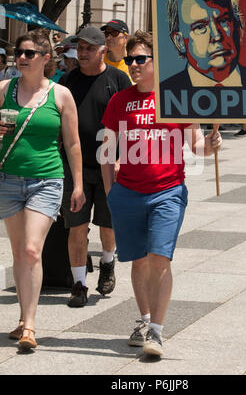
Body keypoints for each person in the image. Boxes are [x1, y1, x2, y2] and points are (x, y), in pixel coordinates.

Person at [101, 30, 222, 357]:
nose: (134, 65)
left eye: (141, 59)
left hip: (167, 192)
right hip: (127, 193)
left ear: (157, 62)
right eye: (130, 60)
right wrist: (112, 192)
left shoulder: (176, 97)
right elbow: (107, 152)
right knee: (138, 263)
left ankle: (156, 331)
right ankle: (143, 321)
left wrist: (209, 146)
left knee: (159, 259)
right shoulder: (119, 101)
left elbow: (195, 145)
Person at [0, 30, 85, 351]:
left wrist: (78, 184)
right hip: (8, 180)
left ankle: (30, 326)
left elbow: (74, 142)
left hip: (47, 180)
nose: (21, 58)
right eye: (19, 53)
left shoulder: (60, 95)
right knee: (20, 251)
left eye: (29, 54)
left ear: (46, 58)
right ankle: (23, 317)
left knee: (33, 250)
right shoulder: (4, 90)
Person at [59, 25, 131, 307]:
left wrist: (123, 160)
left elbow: (128, 124)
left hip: (110, 166)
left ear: (103, 50)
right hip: (74, 167)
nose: (83, 52)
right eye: (81, 47)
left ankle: (108, 262)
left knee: (107, 224)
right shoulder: (67, 80)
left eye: (90, 48)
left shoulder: (118, 79)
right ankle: (79, 284)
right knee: (76, 226)